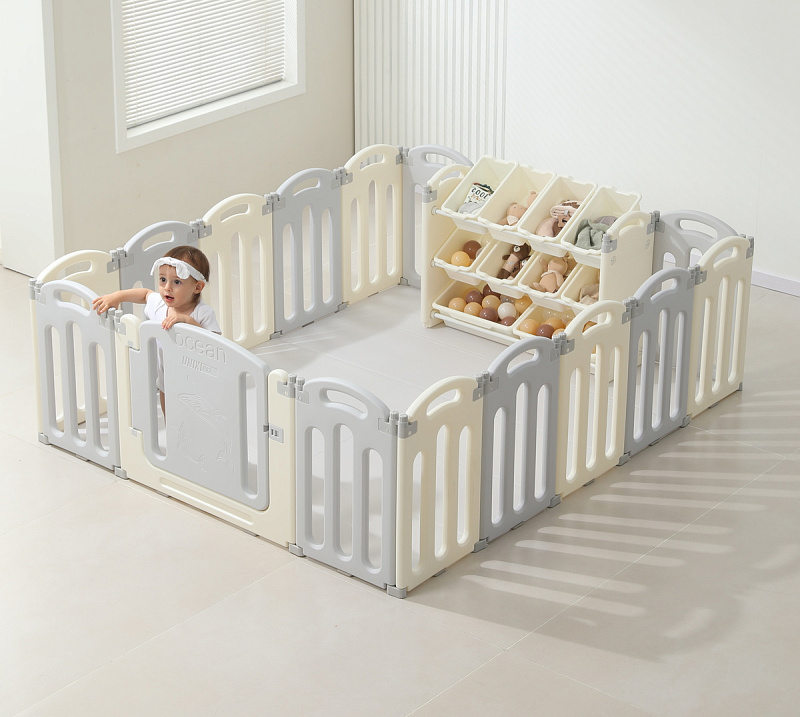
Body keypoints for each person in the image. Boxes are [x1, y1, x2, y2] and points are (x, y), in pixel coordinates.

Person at [92, 245, 221, 416]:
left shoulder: (202, 313)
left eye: (177, 282)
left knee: (195, 416)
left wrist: (188, 321)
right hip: (167, 378)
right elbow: (145, 294)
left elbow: (216, 345)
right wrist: (118, 296)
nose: (167, 287)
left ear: (197, 287)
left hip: (198, 382)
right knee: (170, 413)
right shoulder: (160, 305)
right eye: (162, 279)